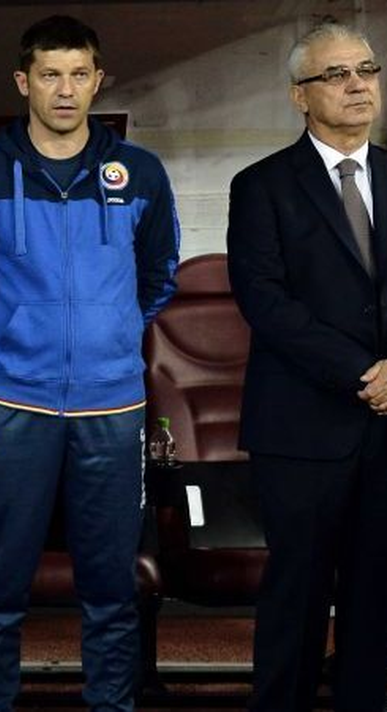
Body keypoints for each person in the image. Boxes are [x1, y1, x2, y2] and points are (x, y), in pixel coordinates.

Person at [0, 14, 179, 711]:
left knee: (111, 589)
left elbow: (158, 276)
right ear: (24, 82)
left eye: (79, 75)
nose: (65, 90)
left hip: (112, 406)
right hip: (13, 404)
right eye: (50, 75)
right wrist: (9, 338)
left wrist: (110, 334)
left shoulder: (139, 173)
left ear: (98, 80)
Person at [226, 21, 387, 711]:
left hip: (386, 428)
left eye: (367, 69)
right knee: (297, 597)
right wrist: (366, 373)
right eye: (336, 74)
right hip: (301, 429)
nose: (357, 85)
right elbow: (264, 300)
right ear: (300, 95)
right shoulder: (261, 185)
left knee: (378, 599)